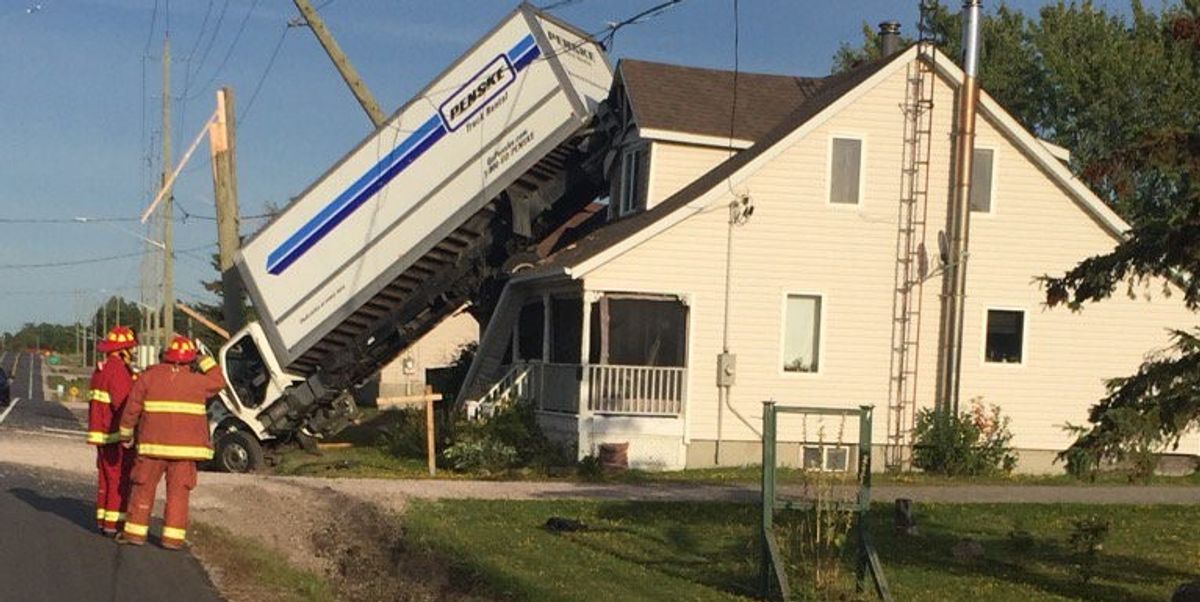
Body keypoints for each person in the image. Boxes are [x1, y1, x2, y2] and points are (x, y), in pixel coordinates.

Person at [116, 336, 225, 549]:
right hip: (186, 452)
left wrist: (125, 435)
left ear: (166, 356)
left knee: (143, 489)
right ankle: (173, 540)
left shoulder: (149, 377)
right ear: (190, 360)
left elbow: (132, 408)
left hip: (152, 447)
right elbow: (219, 381)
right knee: (178, 494)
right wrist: (203, 359)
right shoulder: (198, 382)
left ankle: (135, 534)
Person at [86, 325, 138, 535]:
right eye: (131, 349)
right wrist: (131, 431)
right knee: (119, 479)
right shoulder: (117, 371)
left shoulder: (101, 370)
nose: (133, 354)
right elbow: (124, 405)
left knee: (106, 479)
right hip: (114, 435)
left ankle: (103, 520)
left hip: (101, 434)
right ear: (122, 350)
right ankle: (113, 524)